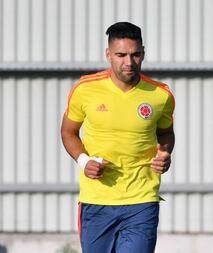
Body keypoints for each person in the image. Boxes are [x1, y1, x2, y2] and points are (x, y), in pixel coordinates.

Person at [61, 22, 175, 253]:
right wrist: (84, 161)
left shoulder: (160, 95)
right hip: (97, 200)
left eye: (135, 55)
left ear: (143, 53)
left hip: (141, 200)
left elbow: (165, 133)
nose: (128, 62)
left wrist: (165, 153)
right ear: (108, 54)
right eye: (121, 54)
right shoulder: (85, 89)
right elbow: (68, 132)